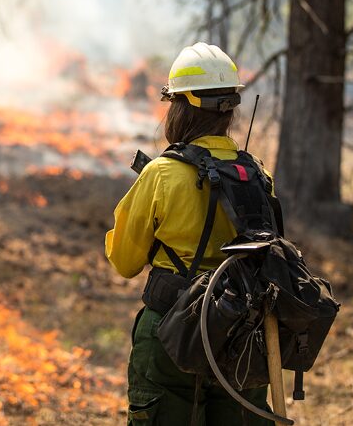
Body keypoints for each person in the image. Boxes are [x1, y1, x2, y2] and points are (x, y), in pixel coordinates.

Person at [105, 43, 275, 426]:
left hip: (171, 332)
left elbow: (125, 262)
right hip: (243, 338)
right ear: (229, 110)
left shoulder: (161, 174)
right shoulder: (258, 176)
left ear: (180, 107)